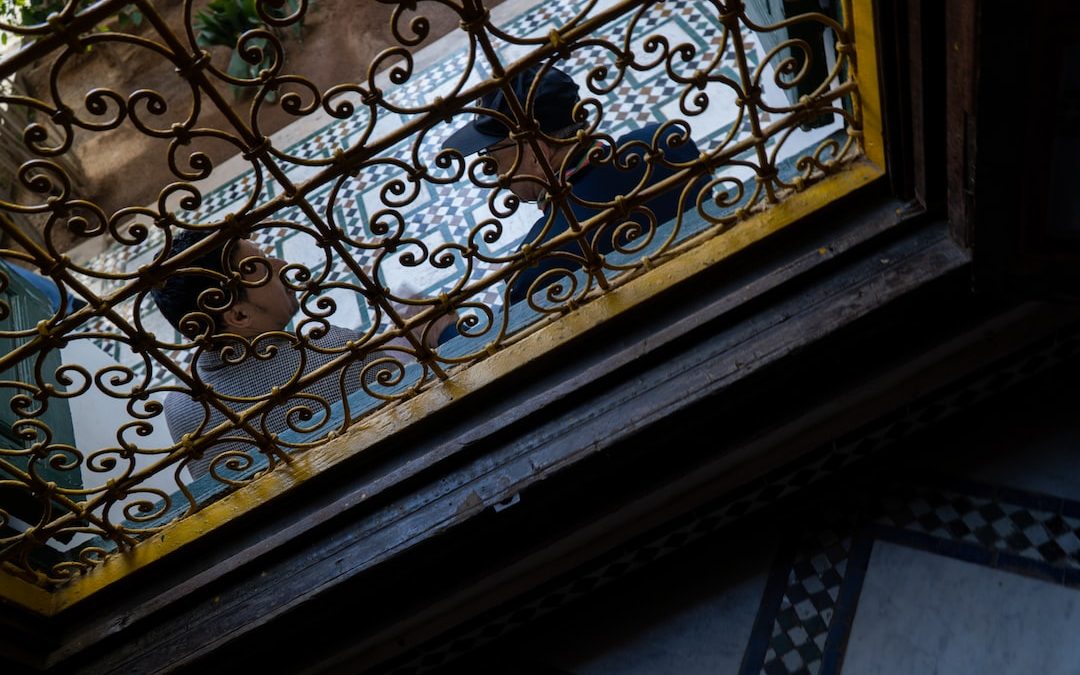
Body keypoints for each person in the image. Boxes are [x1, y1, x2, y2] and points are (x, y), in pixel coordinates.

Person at [150, 231, 431, 480]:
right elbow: (412, 396)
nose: (282, 266)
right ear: (239, 314)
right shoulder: (332, 348)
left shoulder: (179, 409)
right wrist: (418, 336)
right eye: (262, 267)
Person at [442, 64, 706, 305]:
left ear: (536, 153)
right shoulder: (665, 143)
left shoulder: (537, 263)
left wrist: (442, 331)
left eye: (492, 154)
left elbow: (504, 341)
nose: (493, 170)